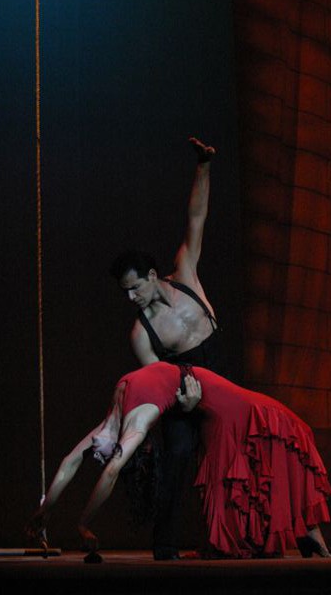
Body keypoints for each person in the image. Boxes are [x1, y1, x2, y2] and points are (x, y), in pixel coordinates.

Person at [26, 362, 331, 559]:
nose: (100, 452)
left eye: (106, 453)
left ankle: (310, 533)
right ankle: (310, 535)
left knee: (257, 455)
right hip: (209, 401)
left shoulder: (137, 422)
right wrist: (43, 512)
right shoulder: (113, 414)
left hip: (222, 403)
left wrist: (84, 524)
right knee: (244, 472)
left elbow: (110, 472)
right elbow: (70, 462)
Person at [108, 137, 226, 560]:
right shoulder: (141, 335)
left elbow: (197, 216)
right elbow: (157, 386)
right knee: (178, 454)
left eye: (135, 288)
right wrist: (186, 404)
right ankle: (165, 544)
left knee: (240, 445)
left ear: (153, 275)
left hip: (217, 367)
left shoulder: (186, 276)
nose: (131, 298)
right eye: (125, 293)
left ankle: (280, 537)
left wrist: (203, 166)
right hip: (179, 385)